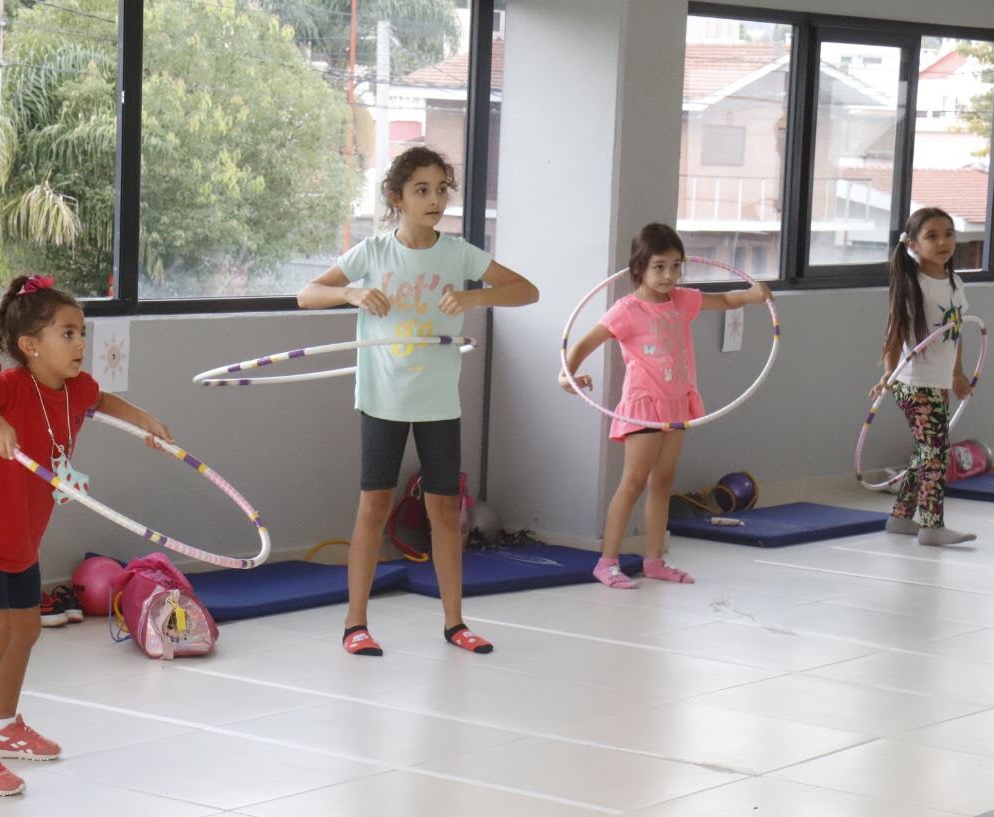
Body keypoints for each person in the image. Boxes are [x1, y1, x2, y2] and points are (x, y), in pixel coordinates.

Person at [0, 275, 171, 795]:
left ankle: (4, 726)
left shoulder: (76, 390)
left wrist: (145, 421)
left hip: (21, 537)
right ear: (30, 346)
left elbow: (105, 402)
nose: (81, 344)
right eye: (68, 334)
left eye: (82, 333)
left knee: (27, 631)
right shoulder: (10, 387)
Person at [298, 146, 539, 656]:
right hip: (384, 398)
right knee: (373, 507)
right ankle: (355, 624)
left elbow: (527, 291)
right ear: (396, 197)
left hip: (438, 404)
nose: (434, 200)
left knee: (445, 512)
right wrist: (351, 295)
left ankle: (455, 623)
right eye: (421, 190)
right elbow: (307, 293)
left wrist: (476, 297)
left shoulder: (459, 254)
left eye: (440, 190)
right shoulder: (375, 253)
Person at [560, 223, 770, 588]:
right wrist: (567, 376)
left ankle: (654, 559)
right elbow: (583, 344)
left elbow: (724, 301)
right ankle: (607, 561)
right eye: (659, 266)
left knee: (663, 482)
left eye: (676, 266)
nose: (669, 275)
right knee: (634, 481)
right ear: (639, 267)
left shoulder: (683, 300)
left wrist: (753, 295)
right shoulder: (627, 310)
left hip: (677, 402)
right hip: (644, 405)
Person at [870, 207, 976, 546]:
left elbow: (954, 333)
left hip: (939, 382)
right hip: (914, 383)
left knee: (927, 450)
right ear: (914, 245)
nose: (943, 241)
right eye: (932, 236)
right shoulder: (914, 285)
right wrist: (888, 373)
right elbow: (894, 332)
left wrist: (958, 374)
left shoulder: (955, 284)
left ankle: (901, 518)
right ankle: (931, 526)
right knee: (936, 451)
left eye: (948, 233)